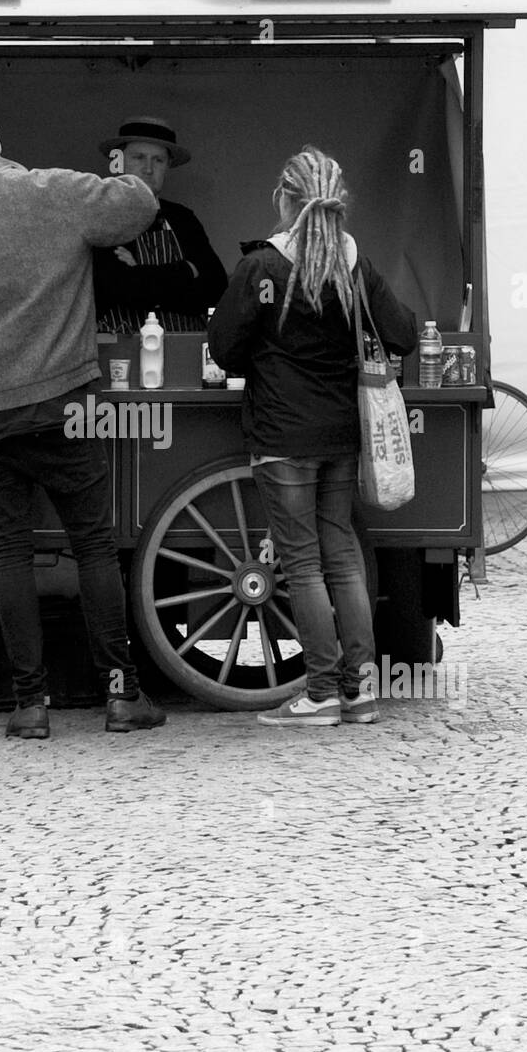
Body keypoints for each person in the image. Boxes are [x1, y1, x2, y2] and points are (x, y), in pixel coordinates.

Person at [0, 105, 167, 740]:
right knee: (94, 547)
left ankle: (29, 706)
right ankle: (120, 697)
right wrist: (118, 170)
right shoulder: (53, 189)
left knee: (14, 555)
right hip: (66, 406)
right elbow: (138, 204)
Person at [207, 144, 417, 728]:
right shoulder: (354, 264)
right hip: (341, 435)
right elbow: (402, 334)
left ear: (283, 198)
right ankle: (360, 691)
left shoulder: (262, 267)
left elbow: (223, 349)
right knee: (344, 557)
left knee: (302, 565)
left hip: (281, 436)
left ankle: (321, 693)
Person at [93, 116, 227, 333]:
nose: (148, 169)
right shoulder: (100, 217)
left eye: (158, 160)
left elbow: (215, 288)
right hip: (122, 355)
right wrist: (186, 270)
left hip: (186, 350)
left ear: (168, 166)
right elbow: (120, 289)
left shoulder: (183, 218)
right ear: (118, 161)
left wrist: (140, 274)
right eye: (138, 157)